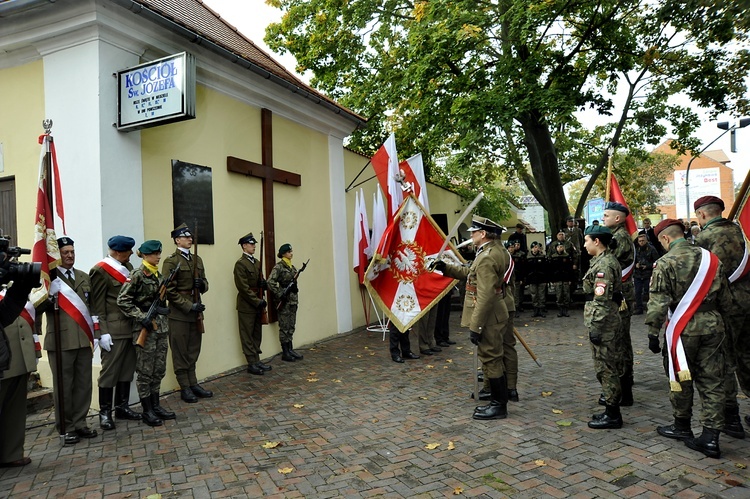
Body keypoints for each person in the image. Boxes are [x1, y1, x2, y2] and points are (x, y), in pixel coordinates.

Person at [646, 219, 732, 458]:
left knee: (680, 375)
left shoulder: (665, 263)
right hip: (713, 326)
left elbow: (658, 302)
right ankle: (711, 437)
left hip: (682, 330)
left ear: (664, 238)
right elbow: (726, 298)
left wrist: (653, 333)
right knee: (713, 380)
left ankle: (681, 425)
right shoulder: (711, 260)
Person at [434, 215, 510, 420]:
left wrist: (475, 327)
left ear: (483, 234)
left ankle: (498, 405)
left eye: (474, 232)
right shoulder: (494, 251)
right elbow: (471, 273)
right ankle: (498, 401)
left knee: (491, 359)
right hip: (495, 312)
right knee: (493, 357)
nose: (472, 235)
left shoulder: (486, 256)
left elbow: (485, 295)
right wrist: (446, 268)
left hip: (488, 316)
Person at [693, 195, 749, 439]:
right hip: (748, 303)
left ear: (703, 215)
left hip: (725, 307)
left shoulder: (705, 237)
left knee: (724, 361)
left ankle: (731, 418)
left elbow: (702, 275)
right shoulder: (742, 233)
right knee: (748, 354)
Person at [38, 237, 97, 445]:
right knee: (64, 385)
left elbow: (91, 307)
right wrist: (48, 297)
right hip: (61, 339)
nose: (70, 255)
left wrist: (97, 333)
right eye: (65, 252)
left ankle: (80, 423)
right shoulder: (49, 279)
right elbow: (35, 308)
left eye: (72, 251)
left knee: (83, 384)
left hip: (83, 340)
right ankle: (66, 426)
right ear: (57, 256)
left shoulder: (83, 276)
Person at [117, 240, 176, 427]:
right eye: (155, 253)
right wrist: (141, 316)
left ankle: (156, 405)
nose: (158, 256)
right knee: (145, 371)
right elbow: (123, 300)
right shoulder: (137, 275)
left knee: (158, 369)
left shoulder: (159, 275)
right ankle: (147, 410)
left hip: (161, 327)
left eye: (159, 253)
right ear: (145, 255)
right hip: (145, 329)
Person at [89, 235, 141, 430]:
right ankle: (104, 412)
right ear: (119, 252)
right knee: (109, 372)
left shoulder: (126, 267)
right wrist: (102, 332)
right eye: (128, 252)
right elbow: (97, 303)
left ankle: (122, 407)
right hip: (113, 329)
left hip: (130, 326)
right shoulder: (100, 271)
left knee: (127, 370)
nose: (130, 255)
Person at [162, 224, 212, 404]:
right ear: (177, 240)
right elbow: (168, 290)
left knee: (193, 349)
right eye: (185, 237)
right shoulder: (171, 261)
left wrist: (201, 285)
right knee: (180, 350)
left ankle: (193, 383)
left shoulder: (197, 259)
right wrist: (189, 306)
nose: (190, 239)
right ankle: (184, 386)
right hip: (180, 313)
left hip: (196, 310)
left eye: (191, 237)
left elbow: (205, 283)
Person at [581, 225, 623, 429]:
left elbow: (602, 300)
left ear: (597, 241)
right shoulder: (601, 261)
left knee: (605, 367)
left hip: (603, 323)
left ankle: (613, 413)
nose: (584, 244)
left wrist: (596, 327)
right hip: (603, 321)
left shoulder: (604, 265)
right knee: (604, 366)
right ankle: (610, 408)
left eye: (586, 240)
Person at [0, 288, 40, 467]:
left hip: (19, 355)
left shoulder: (11, 285)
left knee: (15, 408)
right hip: (3, 357)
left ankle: (12, 453)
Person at [602, 202, 635, 407]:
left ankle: (624, 390)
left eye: (607, 215)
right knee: (618, 339)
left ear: (618, 218)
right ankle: (623, 385)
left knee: (620, 341)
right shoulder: (615, 236)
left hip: (620, 295)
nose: (603, 217)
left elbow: (609, 262)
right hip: (618, 292)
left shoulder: (619, 238)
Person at [234, 233, 271, 376]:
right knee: (247, 334)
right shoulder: (240, 264)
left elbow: (260, 281)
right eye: (251, 244)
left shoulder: (256, 262)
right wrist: (257, 302)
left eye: (255, 244)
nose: (254, 246)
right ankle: (251, 362)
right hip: (247, 305)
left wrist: (264, 284)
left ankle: (256, 359)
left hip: (258, 302)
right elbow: (243, 287)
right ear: (244, 246)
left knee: (257, 333)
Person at [268, 243, 303, 362]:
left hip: (293, 300)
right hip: (284, 301)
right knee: (284, 326)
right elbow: (270, 282)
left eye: (291, 251)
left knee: (291, 325)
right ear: (283, 254)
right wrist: (279, 293)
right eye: (289, 252)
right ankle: (285, 352)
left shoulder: (291, 267)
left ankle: (290, 348)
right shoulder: (279, 267)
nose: (291, 253)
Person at [633, 232, 659, 315]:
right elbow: (631, 261)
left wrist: (647, 266)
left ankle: (650, 308)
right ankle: (639, 308)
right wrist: (635, 265)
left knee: (648, 292)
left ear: (646, 241)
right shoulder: (636, 249)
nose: (641, 242)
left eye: (643, 241)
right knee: (637, 292)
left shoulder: (652, 249)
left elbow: (657, 262)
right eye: (640, 241)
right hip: (637, 274)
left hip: (648, 274)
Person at [549, 242, 572, 317]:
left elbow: (570, 269)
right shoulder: (553, 257)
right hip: (557, 279)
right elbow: (551, 270)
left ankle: (566, 310)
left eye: (561, 247)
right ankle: (560, 310)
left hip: (565, 279)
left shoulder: (567, 256)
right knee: (559, 295)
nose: (560, 248)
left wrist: (570, 279)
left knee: (566, 295)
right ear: (556, 248)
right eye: (558, 247)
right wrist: (552, 280)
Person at [526, 242, 547, 317]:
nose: (535, 249)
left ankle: (541, 309)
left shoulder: (542, 257)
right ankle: (535, 309)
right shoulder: (528, 257)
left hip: (541, 279)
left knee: (541, 295)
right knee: (534, 295)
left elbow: (546, 269)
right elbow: (526, 269)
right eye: (534, 247)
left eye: (537, 247)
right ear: (531, 248)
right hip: (532, 279)